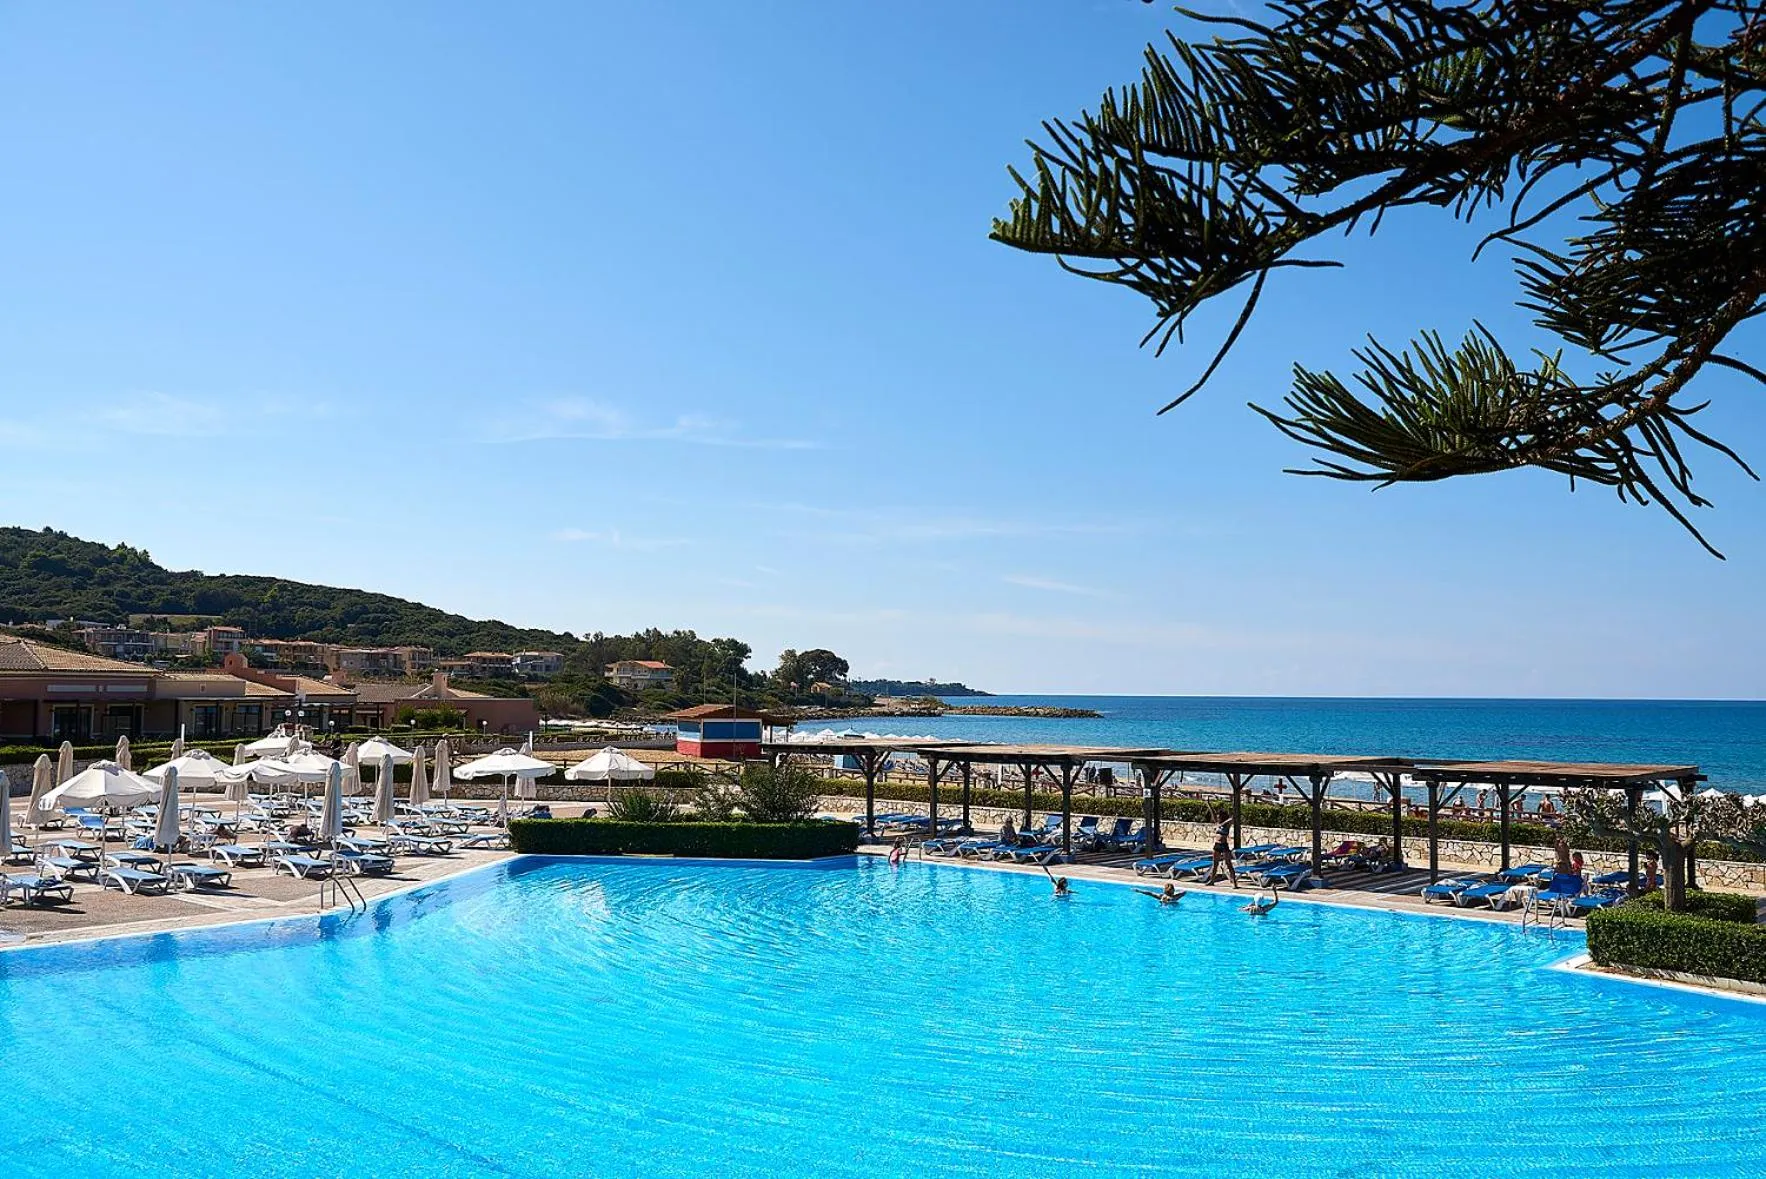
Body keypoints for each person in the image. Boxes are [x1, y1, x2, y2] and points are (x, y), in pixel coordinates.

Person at [1204, 817, 1238, 887]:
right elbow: (1212, 812)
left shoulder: (1227, 825)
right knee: (1215, 864)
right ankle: (1212, 880)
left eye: (1219, 816)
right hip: (1217, 845)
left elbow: (1232, 818)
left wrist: (1223, 823)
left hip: (1224, 845)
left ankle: (1234, 882)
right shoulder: (1217, 823)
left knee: (1228, 864)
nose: (1218, 818)